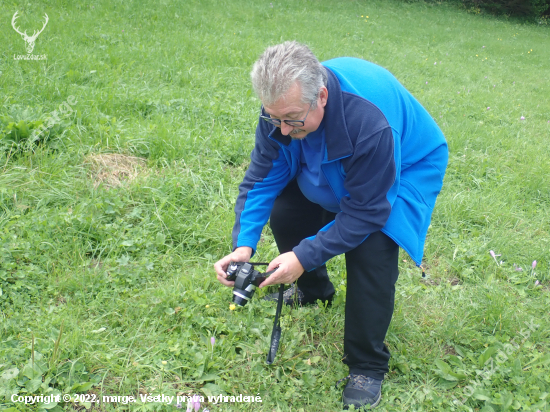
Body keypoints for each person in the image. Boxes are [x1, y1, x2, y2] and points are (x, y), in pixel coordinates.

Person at [214, 41, 448, 409]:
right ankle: (313, 291)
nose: (283, 131)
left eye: (291, 119)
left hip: (403, 166)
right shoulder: (282, 114)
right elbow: (261, 179)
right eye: (274, 118)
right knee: (287, 208)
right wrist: (244, 244)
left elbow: (368, 211)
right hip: (331, 156)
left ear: (321, 96)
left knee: (371, 247)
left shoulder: (370, 123)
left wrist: (304, 255)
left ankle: (367, 365)